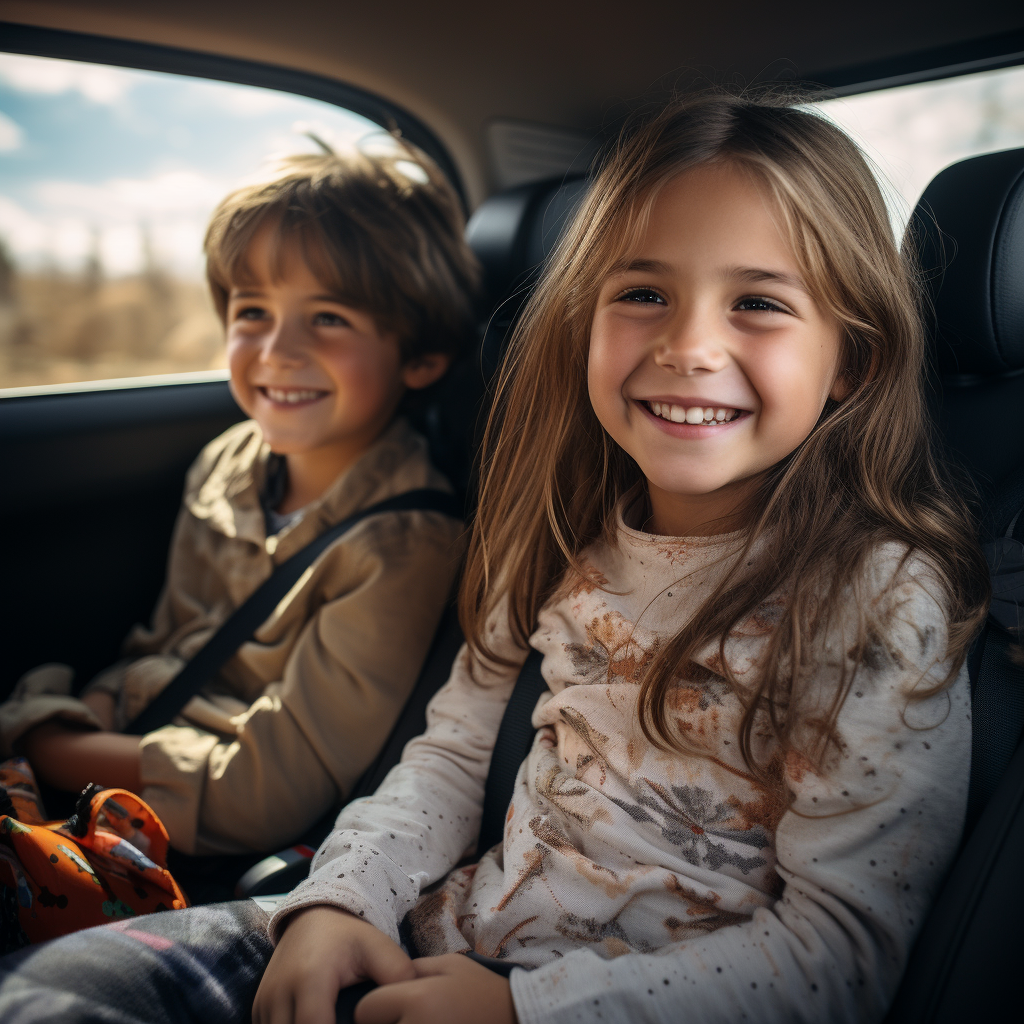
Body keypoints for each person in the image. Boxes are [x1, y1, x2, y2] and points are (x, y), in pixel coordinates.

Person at [0, 91, 989, 1024]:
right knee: (55, 991)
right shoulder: (563, 537)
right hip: (434, 935)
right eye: (642, 291)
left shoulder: (875, 603)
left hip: (600, 1004)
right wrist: (341, 900)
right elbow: (451, 759)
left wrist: (523, 1008)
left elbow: (840, 953)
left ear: (850, 359)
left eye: (759, 305)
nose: (688, 344)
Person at [0, 140, 479, 858]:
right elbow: (161, 653)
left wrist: (50, 745)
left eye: (329, 318)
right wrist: (79, 720)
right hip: (124, 763)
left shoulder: (403, 546)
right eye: (253, 310)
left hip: (207, 843)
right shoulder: (226, 465)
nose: (276, 351)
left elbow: (265, 793)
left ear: (421, 357)